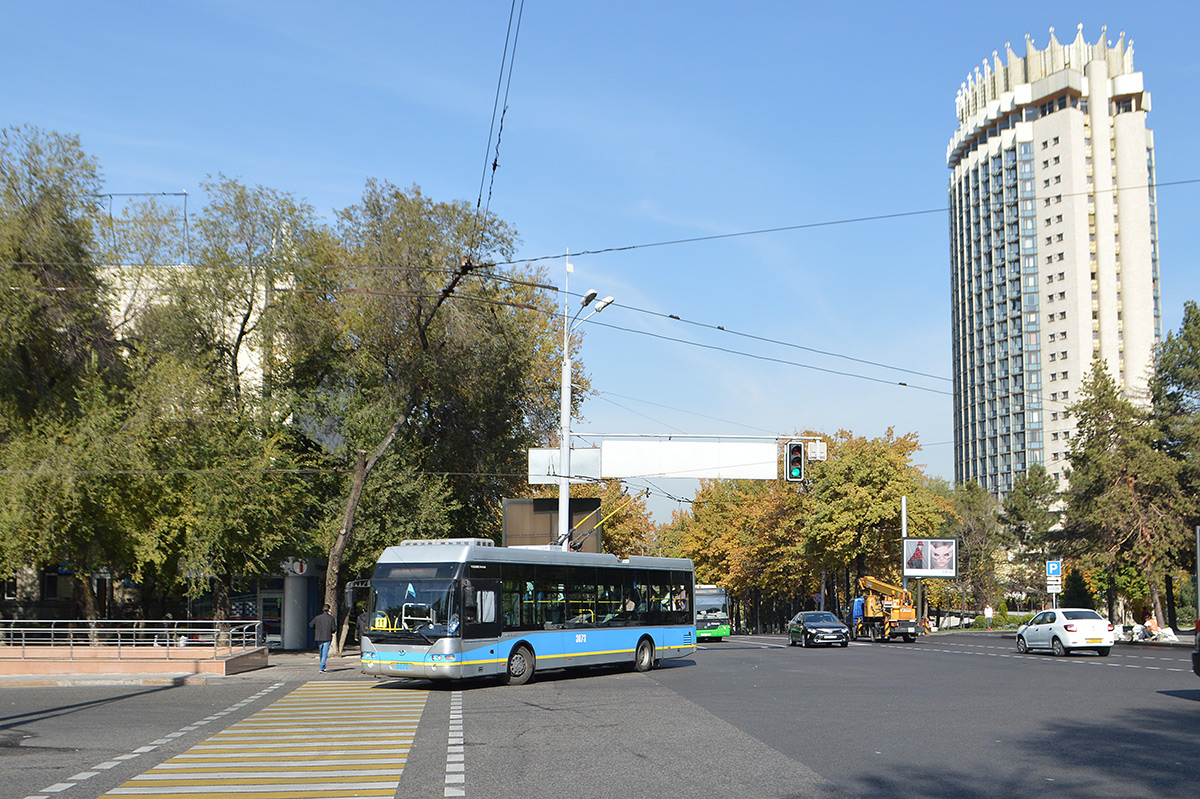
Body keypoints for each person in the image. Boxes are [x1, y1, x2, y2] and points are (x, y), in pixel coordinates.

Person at [309, 604, 335, 672]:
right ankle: (321, 667)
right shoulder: (331, 618)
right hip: (327, 636)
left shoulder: (317, 618)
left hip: (319, 636)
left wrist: (316, 628)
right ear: (329, 610)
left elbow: (311, 625)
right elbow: (334, 629)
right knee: (325, 653)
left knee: (321, 652)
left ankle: (322, 665)